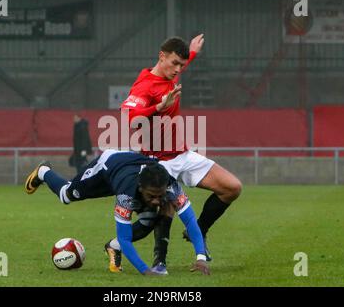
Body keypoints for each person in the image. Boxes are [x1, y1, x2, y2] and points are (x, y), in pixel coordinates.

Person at [119, 34, 242, 273]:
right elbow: (128, 117)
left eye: (182, 66)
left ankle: (200, 231)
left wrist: (192, 52)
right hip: (158, 162)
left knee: (232, 187)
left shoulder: (170, 72)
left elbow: (179, 63)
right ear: (161, 56)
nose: (177, 70)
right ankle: (158, 262)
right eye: (174, 63)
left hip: (182, 155)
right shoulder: (144, 86)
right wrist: (158, 107)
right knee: (167, 206)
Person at [24, 149, 210, 276]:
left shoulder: (169, 184)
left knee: (149, 220)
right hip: (106, 169)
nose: (156, 200)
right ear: (141, 187)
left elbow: (190, 219)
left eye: (159, 195)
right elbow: (125, 237)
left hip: (128, 170)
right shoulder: (127, 194)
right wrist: (144, 270)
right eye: (151, 196)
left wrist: (200, 257)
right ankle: (43, 172)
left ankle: (112, 246)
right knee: (66, 195)